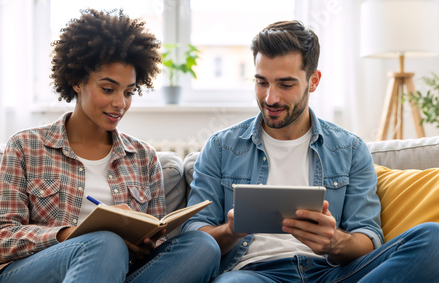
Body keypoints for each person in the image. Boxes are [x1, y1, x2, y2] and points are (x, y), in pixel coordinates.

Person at [181, 20, 439, 282]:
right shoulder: (221, 148)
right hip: (253, 274)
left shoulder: (349, 149)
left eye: (285, 84)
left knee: (432, 238)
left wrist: (334, 242)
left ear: (313, 81)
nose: (270, 98)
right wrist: (231, 230)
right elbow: (193, 236)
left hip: (332, 273)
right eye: (262, 82)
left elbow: (369, 239)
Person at [0, 9, 219, 283]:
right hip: (32, 272)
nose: (120, 103)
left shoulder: (143, 158)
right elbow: (0, 238)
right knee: (105, 242)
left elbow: (155, 245)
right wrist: (74, 233)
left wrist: (143, 244)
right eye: (108, 89)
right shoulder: (27, 146)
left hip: (116, 272)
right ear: (76, 82)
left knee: (203, 247)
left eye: (129, 92)